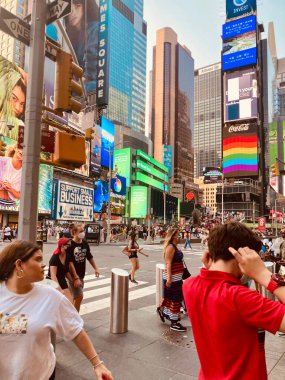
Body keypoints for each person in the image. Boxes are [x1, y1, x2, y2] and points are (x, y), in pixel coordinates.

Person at [183, 222, 285, 380]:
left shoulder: (190, 286)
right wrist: (264, 275)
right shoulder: (241, 298)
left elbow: (211, 280)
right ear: (242, 257)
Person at [0, 240, 113, 380]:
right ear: (19, 264)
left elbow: (76, 331)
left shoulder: (51, 297)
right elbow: (18, 325)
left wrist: (98, 364)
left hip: (42, 375)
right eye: (38, 259)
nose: (43, 264)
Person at [65, 0, 99, 92]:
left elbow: (91, 57)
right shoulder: (72, 37)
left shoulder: (95, 28)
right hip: (78, 85)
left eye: (77, 7)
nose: (73, 13)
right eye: (70, 10)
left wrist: (82, 81)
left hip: (91, 84)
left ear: (85, 7)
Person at [157, 228, 187, 332]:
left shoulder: (174, 246)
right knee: (176, 299)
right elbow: (168, 263)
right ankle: (174, 322)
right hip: (173, 278)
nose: (179, 236)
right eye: (178, 235)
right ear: (173, 236)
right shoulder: (170, 247)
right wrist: (169, 278)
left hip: (176, 278)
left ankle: (162, 310)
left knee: (170, 298)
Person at [67, 224, 100, 312]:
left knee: (75, 298)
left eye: (83, 231)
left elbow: (89, 256)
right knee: (79, 297)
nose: (83, 233)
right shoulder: (70, 245)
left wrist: (96, 268)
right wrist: (75, 277)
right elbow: (70, 263)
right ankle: (75, 319)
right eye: (80, 231)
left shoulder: (84, 243)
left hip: (81, 275)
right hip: (73, 276)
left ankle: (71, 318)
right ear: (74, 232)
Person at [47, 237, 73, 303]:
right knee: (57, 303)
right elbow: (53, 276)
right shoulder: (54, 258)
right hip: (53, 282)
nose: (70, 247)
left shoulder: (67, 256)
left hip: (62, 280)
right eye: (68, 245)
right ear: (62, 245)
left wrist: (72, 281)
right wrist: (59, 290)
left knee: (69, 301)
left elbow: (66, 271)